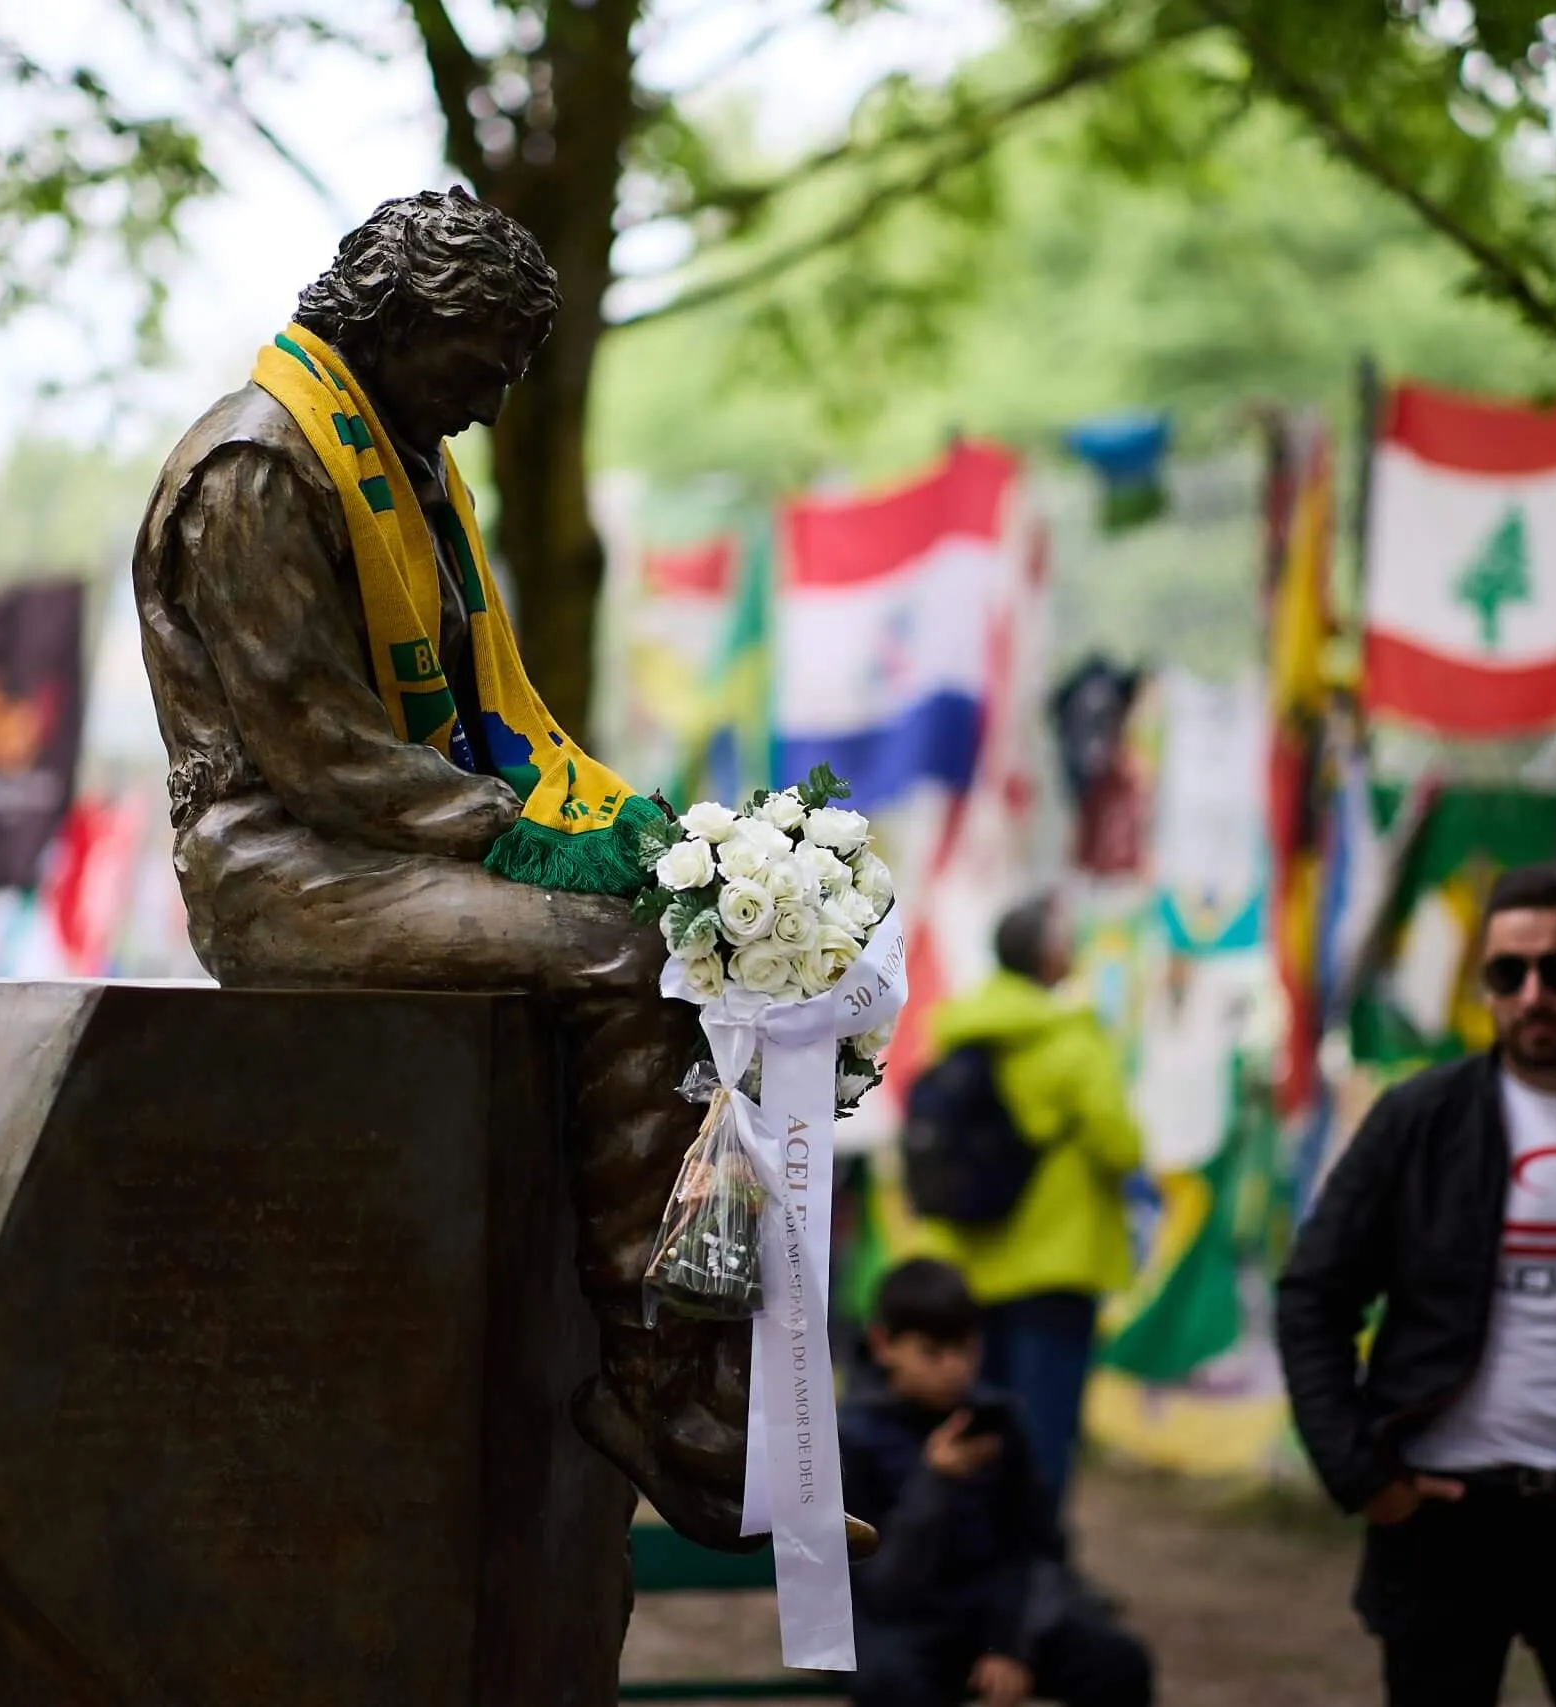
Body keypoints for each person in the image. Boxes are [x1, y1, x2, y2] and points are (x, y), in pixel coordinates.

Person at [132, 187, 750, 1550]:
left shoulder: (408, 464)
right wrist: (546, 846)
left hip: (396, 830)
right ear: (398, 327)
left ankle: (727, 1351)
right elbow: (326, 756)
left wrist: (644, 841)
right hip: (285, 861)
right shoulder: (261, 467)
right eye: (474, 371)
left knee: (710, 936)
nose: (484, 409)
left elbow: (484, 717)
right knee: (622, 947)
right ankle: (655, 1375)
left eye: (509, 380)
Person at [1276, 862, 1556, 1707]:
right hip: (1440, 1512)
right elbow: (1312, 1291)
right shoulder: (1419, 1117)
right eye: (1507, 972)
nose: (1533, 993)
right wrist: (1360, 1472)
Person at [911, 893, 1143, 1523]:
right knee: (1043, 1430)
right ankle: (1039, 1573)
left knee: (981, 1421)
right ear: (1047, 955)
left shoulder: (961, 1029)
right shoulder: (1070, 1037)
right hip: (1056, 1263)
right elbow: (1121, 1146)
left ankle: (980, 1558)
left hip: (973, 1263)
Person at [842, 1259, 1153, 1707]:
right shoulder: (854, 1436)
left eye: (966, 1349)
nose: (954, 1368)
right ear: (883, 1344)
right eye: (933, 1351)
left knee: (1118, 1662)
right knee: (891, 1680)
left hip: (990, 1621)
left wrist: (1009, 1645)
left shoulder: (997, 1420)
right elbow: (885, 1588)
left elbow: (1037, 1548)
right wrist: (936, 1482)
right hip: (905, 1629)